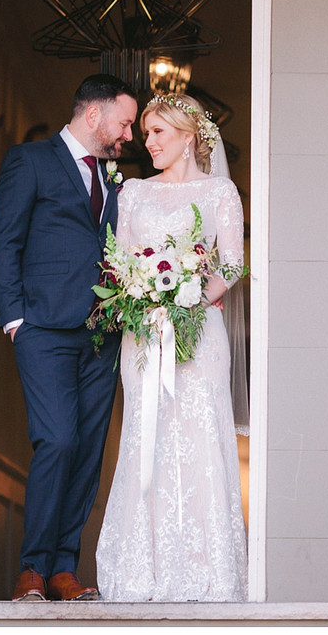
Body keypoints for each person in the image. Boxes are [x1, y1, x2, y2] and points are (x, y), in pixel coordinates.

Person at [0, 73, 138, 601]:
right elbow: (3, 241)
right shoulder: (30, 161)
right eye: (124, 122)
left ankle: (62, 569)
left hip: (103, 334)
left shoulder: (116, 180)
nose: (128, 134)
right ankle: (32, 567)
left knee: (88, 449)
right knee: (57, 439)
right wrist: (14, 319)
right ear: (93, 114)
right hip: (44, 329)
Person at [96, 92, 249, 601]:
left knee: (200, 437)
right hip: (144, 337)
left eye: (158, 132)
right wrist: (143, 296)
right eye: (146, 133)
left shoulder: (220, 192)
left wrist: (190, 298)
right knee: (148, 439)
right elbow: (118, 262)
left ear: (188, 137)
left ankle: (207, 573)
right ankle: (145, 571)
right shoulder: (134, 193)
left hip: (198, 333)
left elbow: (231, 263)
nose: (148, 141)